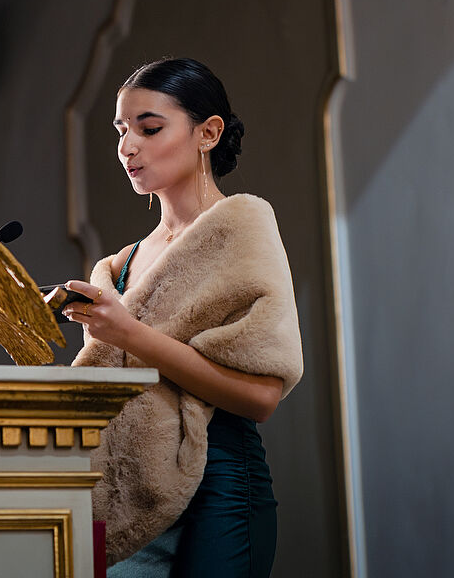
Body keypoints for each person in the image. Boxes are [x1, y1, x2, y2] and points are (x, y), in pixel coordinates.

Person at [64, 57, 304, 577]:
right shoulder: (120, 265)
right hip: (123, 485)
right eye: (121, 131)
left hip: (217, 484)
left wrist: (130, 333)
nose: (128, 147)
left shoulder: (242, 225)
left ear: (208, 132)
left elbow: (262, 397)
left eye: (149, 128)